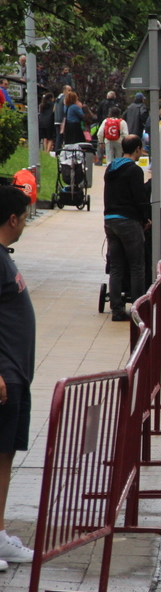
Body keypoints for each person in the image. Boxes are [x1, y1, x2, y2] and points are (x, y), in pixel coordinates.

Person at [0, 185, 37, 567]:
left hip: (15, 375)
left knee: (4, 456)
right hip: (4, 377)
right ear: (12, 219)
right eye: (24, 217)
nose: (25, 223)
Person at [103, 135, 150, 322]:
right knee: (137, 265)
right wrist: (145, 218)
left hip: (110, 221)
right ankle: (138, 310)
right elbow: (139, 198)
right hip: (128, 221)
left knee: (116, 267)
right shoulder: (134, 170)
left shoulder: (110, 168)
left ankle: (117, 310)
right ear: (137, 149)